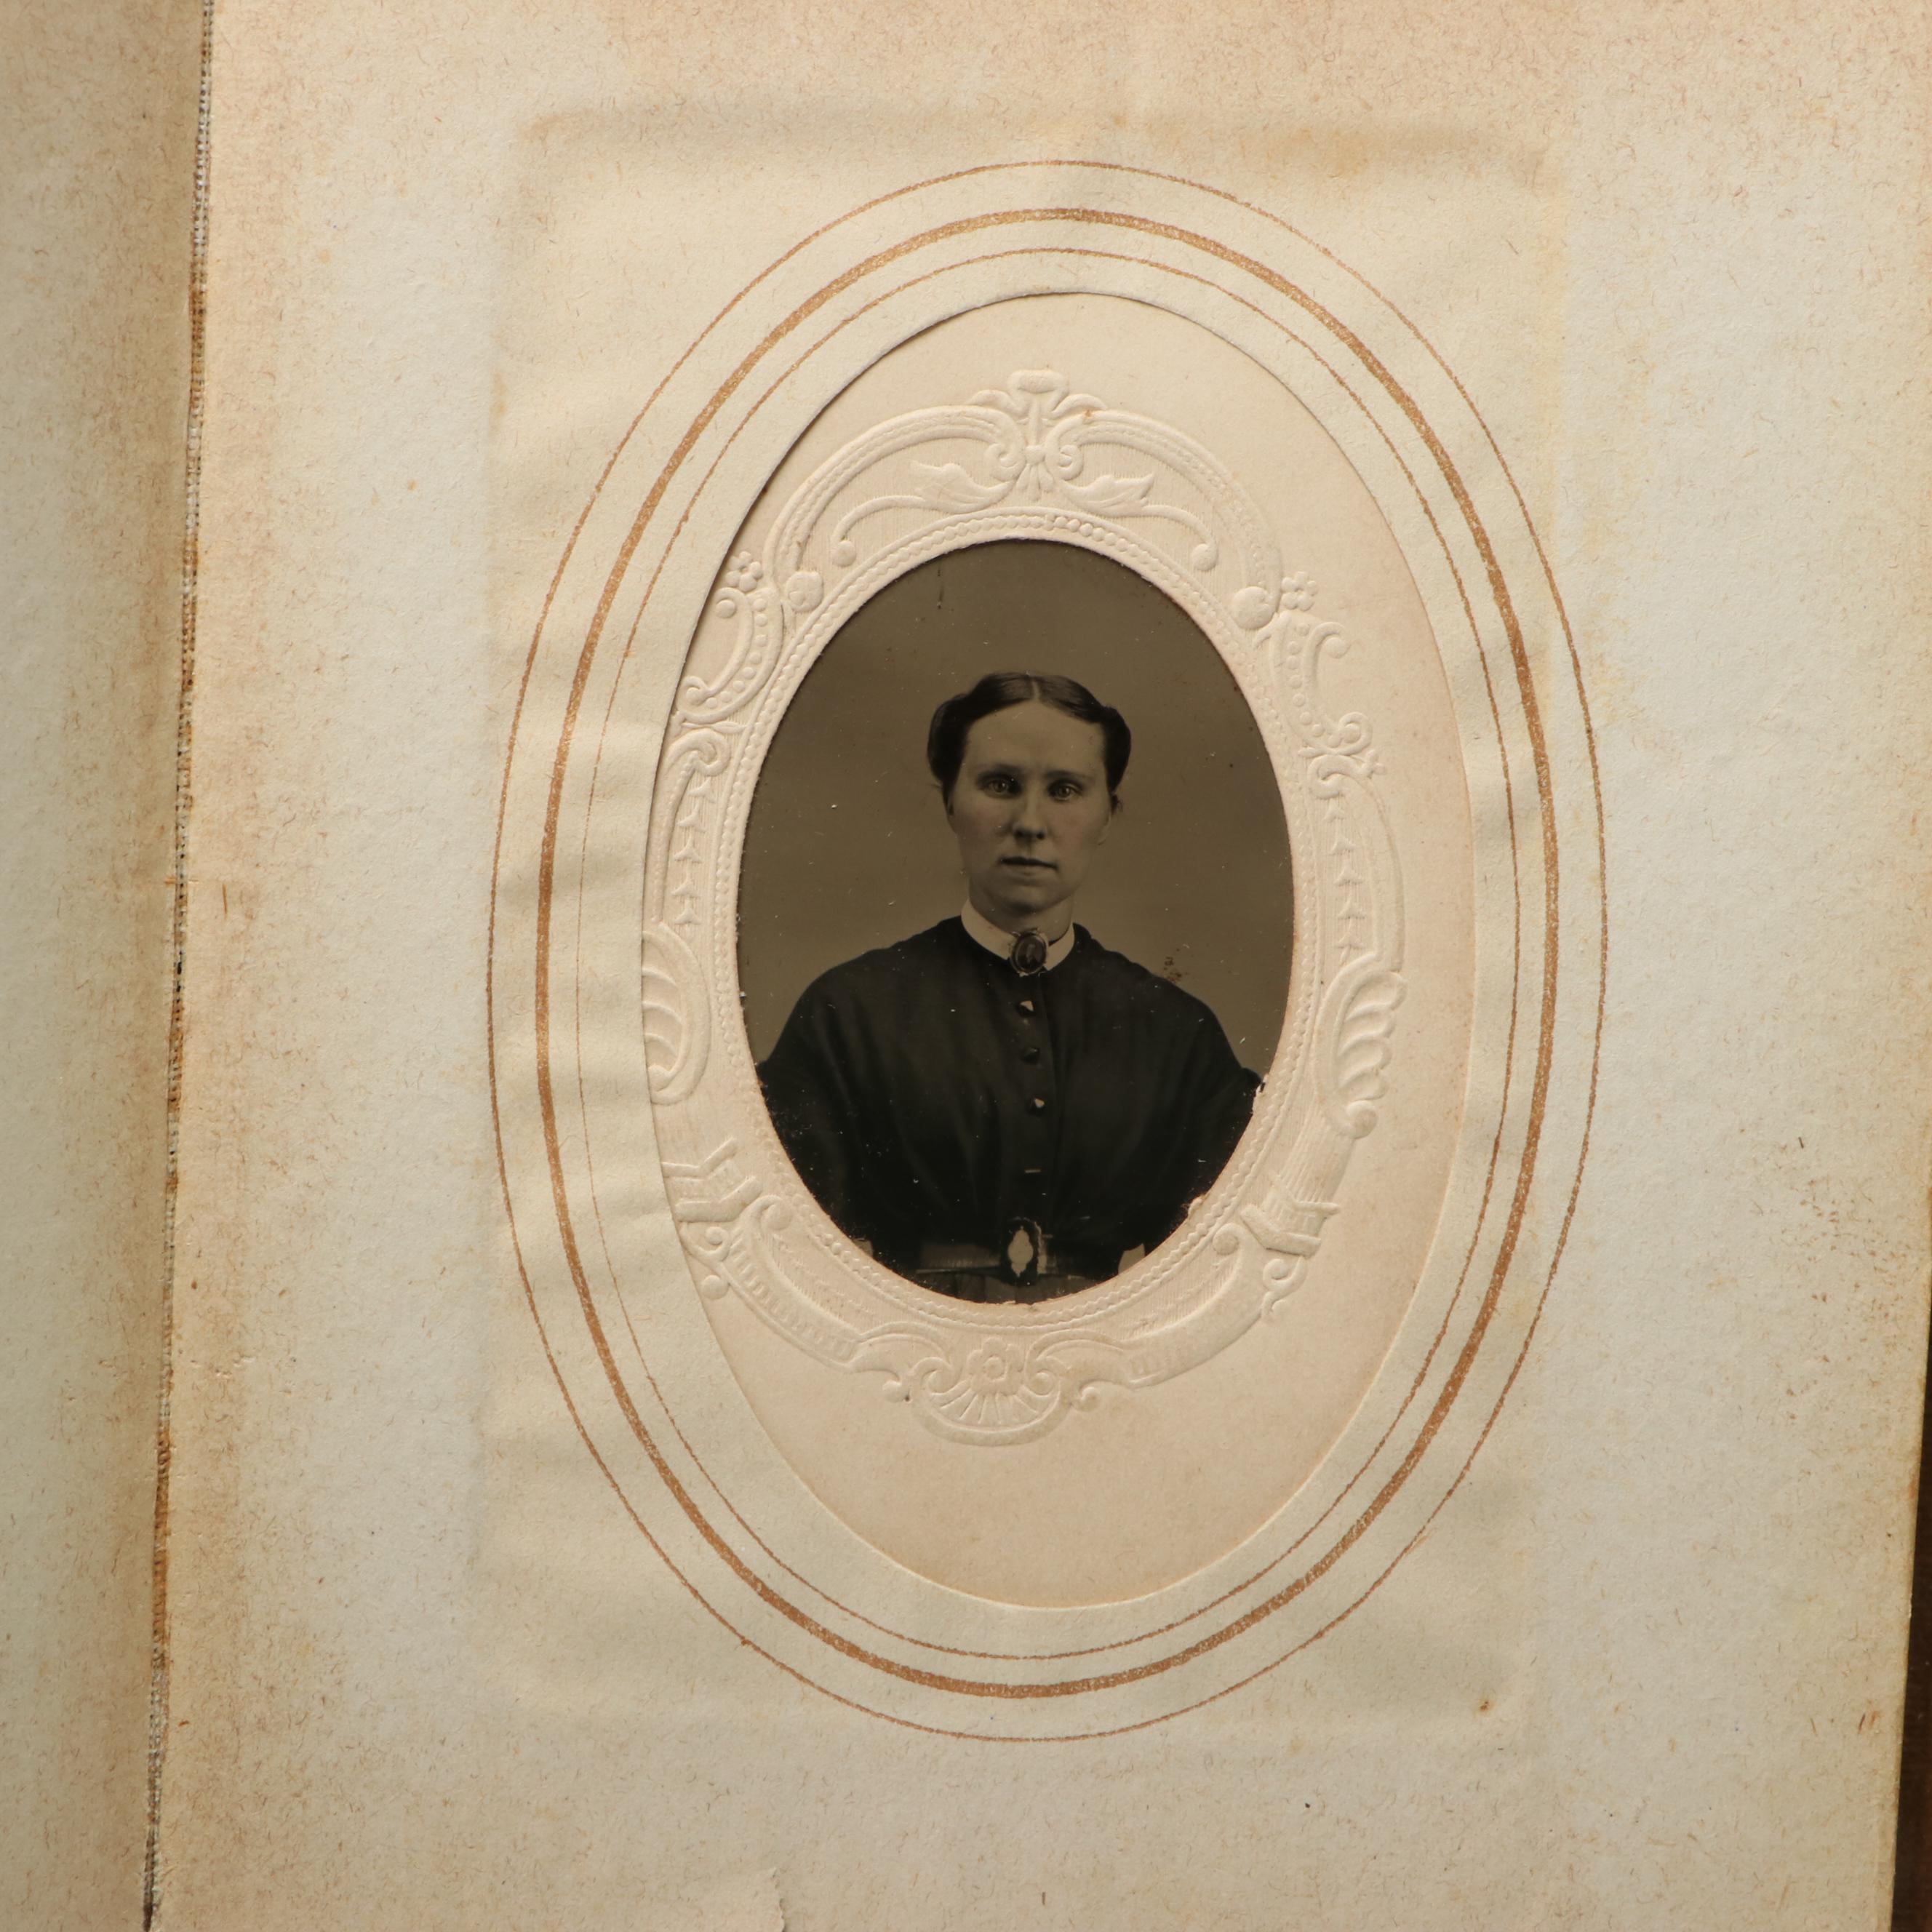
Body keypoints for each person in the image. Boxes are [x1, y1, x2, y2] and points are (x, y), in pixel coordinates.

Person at [756, 671, 1261, 1304]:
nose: (1030, 822)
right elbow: (778, 1250)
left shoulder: (1175, 1034)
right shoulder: (850, 1013)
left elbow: (1226, 1268)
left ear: (1107, 813)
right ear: (950, 802)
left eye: (1065, 790)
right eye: (1000, 785)